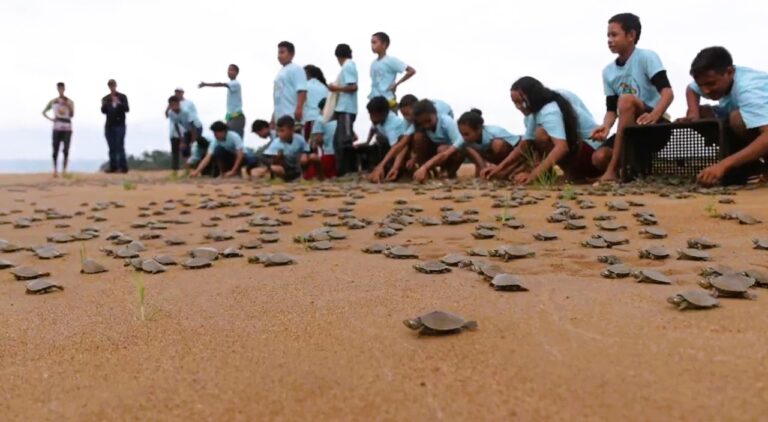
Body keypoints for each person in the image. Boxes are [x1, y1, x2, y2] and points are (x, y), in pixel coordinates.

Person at [590, 13, 674, 182]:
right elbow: (612, 110)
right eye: (608, 35)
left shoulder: (646, 57)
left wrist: (654, 115)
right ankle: (635, 169)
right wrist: (605, 126)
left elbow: (668, 93)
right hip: (629, 127)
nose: (609, 40)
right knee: (599, 158)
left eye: (614, 35)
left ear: (631, 35)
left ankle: (613, 171)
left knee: (627, 99)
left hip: (654, 125)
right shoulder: (608, 72)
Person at [682, 46, 768, 186]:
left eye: (710, 84)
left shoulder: (749, 89)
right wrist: (693, 113)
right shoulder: (708, 79)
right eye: (701, 85)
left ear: (729, 72)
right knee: (703, 113)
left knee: (737, 119)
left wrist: (723, 165)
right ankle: (754, 167)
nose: (705, 90)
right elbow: (691, 89)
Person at [499, 76, 604, 185]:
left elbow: (561, 147)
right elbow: (524, 144)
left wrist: (533, 175)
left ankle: (572, 174)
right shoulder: (535, 113)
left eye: (521, 102)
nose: (519, 107)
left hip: (592, 155)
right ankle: (559, 174)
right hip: (579, 150)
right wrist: (499, 168)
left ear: (532, 97)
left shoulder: (549, 110)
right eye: (515, 103)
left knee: (541, 134)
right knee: (534, 139)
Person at [408, 99, 466, 183]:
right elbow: (403, 140)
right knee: (418, 137)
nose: (426, 125)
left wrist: (425, 167)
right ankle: (426, 172)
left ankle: (448, 171)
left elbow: (453, 147)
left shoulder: (446, 121)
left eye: (428, 121)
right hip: (435, 152)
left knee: (442, 149)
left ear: (435, 114)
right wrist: (414, 158)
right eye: (422, 123)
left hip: (451, 152)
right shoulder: (420, 126)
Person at [454, 110, 523, 180]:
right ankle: (483, 170)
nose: (464, 137)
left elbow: (521, 145)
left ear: (479, 128)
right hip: (490, 159)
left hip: (512, 158)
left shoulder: (495, 131)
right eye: (461, 134)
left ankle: (507, 170)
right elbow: (451, 150)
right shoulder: (464, 139)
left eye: (466, 134)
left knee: (497, 144)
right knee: (464, 148)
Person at [367, 96, 413, 183]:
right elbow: (373, 128)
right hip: (394, 144)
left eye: (373, 115)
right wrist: (367, 142)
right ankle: (380, 169)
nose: (371, 118)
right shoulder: (378, 120)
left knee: (387, 146)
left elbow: (398, 148)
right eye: (370, 114)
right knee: (375, 143)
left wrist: (385, 166)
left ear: (384, 114)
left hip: (404, 146)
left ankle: (398, 171)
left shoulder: (391, 125)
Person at [329, 43, 359, 176]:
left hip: (347, 108)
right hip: (343, 109)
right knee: (337, 141)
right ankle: (342, 171)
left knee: (345, 141)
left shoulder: (348, 66)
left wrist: (336, 89)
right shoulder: (347, 67)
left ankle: (350, 171)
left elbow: (353, 87)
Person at [369, 32, 416, 109]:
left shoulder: (390, 61)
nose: (372, 45)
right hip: (375, 101)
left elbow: (411, 71)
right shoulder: (373, 63)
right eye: (371, 43)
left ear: (384, 44)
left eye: (374, 42)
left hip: (388, 100)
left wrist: (396, 84)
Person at [258, 116, 310, 182]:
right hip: (285, 169)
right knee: (278, 156)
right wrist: (271, 166)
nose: (279, 134)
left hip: (298, 167)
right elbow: (263, 157)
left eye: (282, 131)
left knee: (312, 157)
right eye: (278, 131)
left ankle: (313, 176)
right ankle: (279, 177)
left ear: (291, 129)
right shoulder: (277, 142)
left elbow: (307, 149)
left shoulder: (299, 139)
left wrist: (305, 154)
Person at [199, 64, 245, 138]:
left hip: (236, 116)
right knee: (227, 139)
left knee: (235, 139)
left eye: (232, 70)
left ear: (237, 73)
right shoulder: (231, 84)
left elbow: (221, 84)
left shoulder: (235, 83)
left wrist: (206, 84)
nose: (229, 71)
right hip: (230, 117)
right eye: (229, 70)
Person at [42, 82, 74, 177]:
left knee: (66, 149)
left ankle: (64, 170)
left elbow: (72, 114)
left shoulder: (70, 101)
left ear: (64, 89)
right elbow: (44, 112)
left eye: (62, 88)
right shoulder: (53, 101)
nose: (60, 90)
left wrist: (67, 105)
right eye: (59, 88)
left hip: (67, 127)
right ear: (57, 89)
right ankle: (55, 170)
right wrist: (51, 119)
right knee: (55, 148)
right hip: (57, 127)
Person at [166, 92, 203, 174]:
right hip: (186, 129)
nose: (174, 107)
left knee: (195, 147)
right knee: (183, 148)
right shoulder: (171, 114)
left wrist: (193, 139)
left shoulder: (186, 112)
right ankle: (188, 170)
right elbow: (177, 126)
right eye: (172, 105)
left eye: (175, 104)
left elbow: (192, 125)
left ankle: (198, 169)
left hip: (196, 127)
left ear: (179, 104)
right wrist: (181, 139)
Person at [273, 41, 308, 129]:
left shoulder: (296, 69)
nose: (279, 56)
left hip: (291, 116)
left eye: (282, 52)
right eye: (278, 52)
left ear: (291, 54)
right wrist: (273, 117)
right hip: (280, 119)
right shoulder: (280, 72)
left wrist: (299, 108)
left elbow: (302, 90)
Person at [101, 79, 129, 173]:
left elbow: (127, 109)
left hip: (120, 125)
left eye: (113, 85)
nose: (112, 87)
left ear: (116, 85)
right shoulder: (106, 98)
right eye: (110, 85)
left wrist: (119, 103)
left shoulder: (122, 97)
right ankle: (113, 167)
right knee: (111, 147)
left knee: (120, 145)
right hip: (109, 125)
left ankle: (123, 167)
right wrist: (107, 103)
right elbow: (103, 111)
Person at [306, 99, 338, 180]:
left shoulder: (320, 119)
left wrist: (316, 143)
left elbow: (318, 140)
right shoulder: (339, 120)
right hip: (340, 155)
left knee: (309, 175)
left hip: (328, 155)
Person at [303, 65, 329, 139]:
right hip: (324, 120)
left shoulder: (304, 86)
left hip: (309, 120)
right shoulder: (325, 87)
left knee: (310, 147)